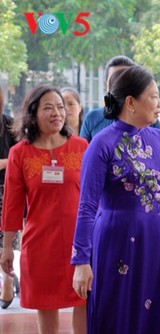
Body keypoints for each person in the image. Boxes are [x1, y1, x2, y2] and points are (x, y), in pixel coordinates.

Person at [71, 65, 160, 333]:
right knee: (116, 313)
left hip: (155, 242)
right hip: (115, 241)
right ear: (131, 102)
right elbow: (87, 206)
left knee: (154, 315)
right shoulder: (101, 144)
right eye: (154, 96)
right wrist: (81, 261)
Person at [0, 86, 88, 333]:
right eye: (48, 108)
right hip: (40, 244)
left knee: (84, 299)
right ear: (33, 113)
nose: (57, 113)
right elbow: (12, 205)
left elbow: (94, 198)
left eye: (60, 107)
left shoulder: (82, 147)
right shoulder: (19, 153)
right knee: (46, 303)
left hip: (79, 242)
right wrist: (8, 247)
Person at [79, 55, 160, 142]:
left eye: (125, 81)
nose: (119, 85)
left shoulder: (149, 119)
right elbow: (82, 152)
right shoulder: (93, 119)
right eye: (115, 80)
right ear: (106, 84)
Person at [0, 89, 20, 310]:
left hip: (6, 188)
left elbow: (19, 154)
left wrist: (4, 163)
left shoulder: (10, 125)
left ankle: (7, 280)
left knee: (6, 238)